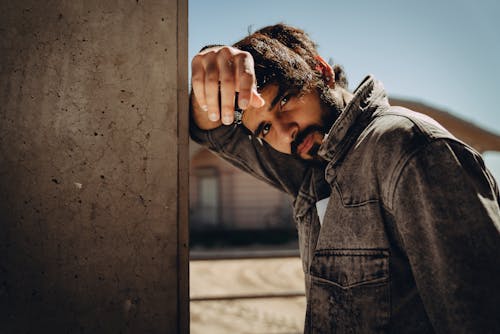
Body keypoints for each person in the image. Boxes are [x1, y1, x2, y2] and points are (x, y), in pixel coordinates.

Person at [189, 23, 500, 333]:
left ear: (322, 71)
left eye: (284, 101)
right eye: (265, 128)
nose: (285, 132)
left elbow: (480, 316)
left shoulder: (408, 147)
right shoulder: (310, 170)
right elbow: (215, 130)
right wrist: (212, 65)